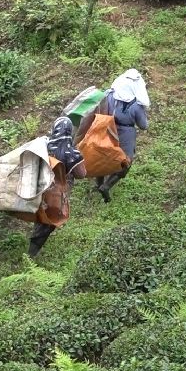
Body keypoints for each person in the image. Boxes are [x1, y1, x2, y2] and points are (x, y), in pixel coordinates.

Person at [28, 117, 87, 258]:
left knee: (42, 215)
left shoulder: (43, 146)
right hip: (57, 194)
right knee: (50, 222)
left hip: (39, 189)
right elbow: (81, 174)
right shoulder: (72, 153)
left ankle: (33, 242)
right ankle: (30, 255)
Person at [96, 69, 150, 202]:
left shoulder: (108, 95)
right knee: (126, 162)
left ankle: (98, 183)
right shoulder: (136, 106)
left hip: (107, 128)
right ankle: (106, 186)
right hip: (126, 135)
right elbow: (143, 125)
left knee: (103, 156)